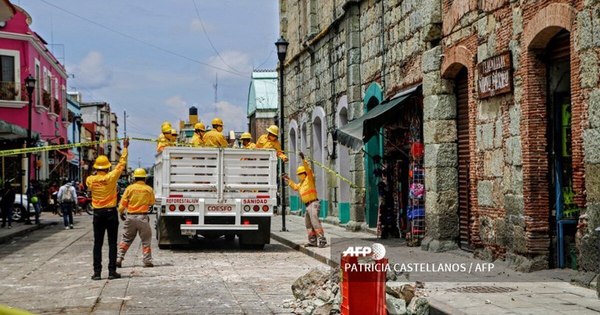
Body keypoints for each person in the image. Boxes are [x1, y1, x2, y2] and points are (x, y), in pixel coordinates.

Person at [86, 138, 129, 280]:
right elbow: (122, 164)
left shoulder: (90, 180)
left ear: (96, 168)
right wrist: (125, 148)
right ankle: (112, 272)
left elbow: (90, 183)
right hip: (111, 213)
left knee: (97, 244)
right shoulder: (111, 177)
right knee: (112, 243)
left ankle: (97, 273)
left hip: (97, 214)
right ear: (107, 167)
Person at [283, 152, 326, 247]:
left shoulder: (309, 178)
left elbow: (308, 169)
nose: (299, 175)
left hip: (313, 203)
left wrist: (303, 160)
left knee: (315, 221)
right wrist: (288, 180)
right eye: (298, 174)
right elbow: (295, 187)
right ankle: (312, 241)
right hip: (307, 205)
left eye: (301, 173)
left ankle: (322, 239)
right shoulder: (301, 183)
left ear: (305, 173)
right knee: (308, 224)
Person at [116, 168, 156, 268]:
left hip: (130, 217)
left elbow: (122, 204)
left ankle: (119, 258)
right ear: (144, 179)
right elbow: (152, 202)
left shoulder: (129, 188)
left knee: (126, 239)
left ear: (134, 178)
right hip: (143, 217)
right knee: (146, 240)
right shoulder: (148, 189)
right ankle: (147, 260)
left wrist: (121, 212)